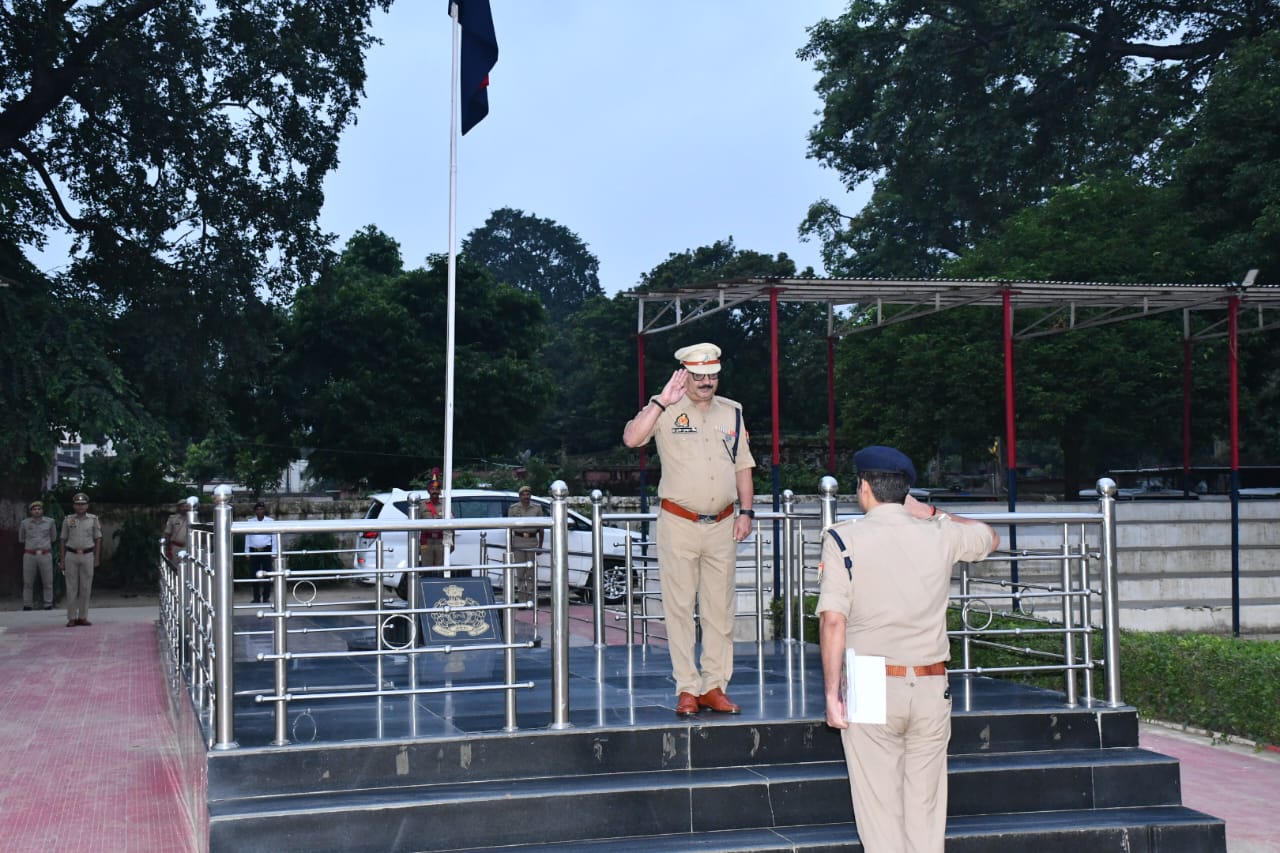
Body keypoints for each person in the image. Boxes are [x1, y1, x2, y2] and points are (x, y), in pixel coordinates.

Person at [817, 445, 999, 853]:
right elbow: (991, 537)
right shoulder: (940, 533)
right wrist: (930, 513)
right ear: (906, 492)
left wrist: (831, 695)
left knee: (880, 812)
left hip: (871, 679)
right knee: (926, 811)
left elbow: (833, 621)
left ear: (864, 487)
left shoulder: (843, 539)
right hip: (932, 681)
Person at [622, 342, 755, 718]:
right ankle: (687, 688)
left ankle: (714, 686)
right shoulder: (665, 408)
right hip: (679, 523)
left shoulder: (732, 412)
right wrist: (660, 401)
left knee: (719, 610)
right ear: (685, 374)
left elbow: (743, 465)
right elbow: (632, 438)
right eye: (699, 376)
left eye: (712, 375)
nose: (707, 382)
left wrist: (746, 512)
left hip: (723, 524)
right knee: (679, 609)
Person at [59, 492, 101, 627]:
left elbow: (98, 539)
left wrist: (97, 558)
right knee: (71, 587)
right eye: (78, 504)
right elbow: (62, 540)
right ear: (74, 506)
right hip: (71, 555)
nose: (80, 506)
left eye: (83, 504)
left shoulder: (93, 519)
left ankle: (83, 617)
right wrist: (62, 560)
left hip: (88, 555)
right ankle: (72, 617)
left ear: (87, 506)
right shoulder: (68, 520)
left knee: (86, 587)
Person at [506, 485, 544, 601]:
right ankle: (522, 599)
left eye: (528, 494)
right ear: (520, 496)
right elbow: (509, 528)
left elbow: (541, 528)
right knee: (520, 571)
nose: (526, 497)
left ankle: (531, 599)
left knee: (531, 572)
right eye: (523, 495)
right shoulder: (513, 508)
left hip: (532, 542)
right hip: (518, 541)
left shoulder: (537, 508)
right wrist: (509, 545)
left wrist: (540, 546)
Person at [19, 499, 57, 611]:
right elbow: (21, 538)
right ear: (31, 511)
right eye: (34, 509)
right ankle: (27, 605)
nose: (37, 511)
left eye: (39, 509)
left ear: (42, 510)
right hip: (29, 555)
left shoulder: (50, 522)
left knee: (48, 581)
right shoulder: (25, 523)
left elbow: (53, 537)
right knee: (28, 582)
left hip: (45, 554)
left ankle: (48, 604)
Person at [245, 501, 275, 604]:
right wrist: (247, 552)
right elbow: (248, 537)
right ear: (255, 511)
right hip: (254, 550)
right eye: (257, 509)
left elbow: (274, 537)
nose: (259, 511)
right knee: (254, 574)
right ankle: (256, 597)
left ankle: (266, 597)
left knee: (267, 573)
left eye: (261, 509)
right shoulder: (250, 522)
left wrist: (274, 553)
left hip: (266, 550)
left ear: (264, 510)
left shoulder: (270, 521)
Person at [162, 500, 191, 565]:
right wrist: (167, 549)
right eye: (182, 506)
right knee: (175, 566)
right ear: (179, 508)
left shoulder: (192, 518)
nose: (184, 508)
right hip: (176, 547)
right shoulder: (172, 518)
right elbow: (167, 534)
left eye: (186, 506)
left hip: (188, 547)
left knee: (189, 567)